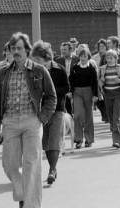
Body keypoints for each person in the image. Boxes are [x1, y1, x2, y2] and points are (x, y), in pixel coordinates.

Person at [0, 32, 57, 208]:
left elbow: (51, 97)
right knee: (9, 164)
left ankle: (31, 205)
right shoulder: (4, 72)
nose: (16, 51)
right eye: (13, 48)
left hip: (31, 121)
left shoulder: (39, 70)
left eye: (19, 48)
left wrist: (41, 119)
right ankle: (21, 191)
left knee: (32, 164)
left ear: (27, 50)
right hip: (10, 122)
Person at [31, 41, 69, 185]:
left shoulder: (59, 69)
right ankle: (51, 167)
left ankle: (52, 170)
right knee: (45, 142)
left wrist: (51, 92)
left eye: (38, 60)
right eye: (34, 60)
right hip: (40, 111)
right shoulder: (33, 72)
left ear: (47, 57)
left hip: (57, 109)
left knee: (54, 140)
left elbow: (66, 87)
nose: (36, 63)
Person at [68, 46, 98, 149]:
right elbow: (71, 81)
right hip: (77, 92)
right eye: (81, 56)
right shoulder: (75, 67)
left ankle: (89, 139)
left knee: (88, 116)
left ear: (88, 57)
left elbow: (95, 82)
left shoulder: (91, 68)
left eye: (85, 56)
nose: (83, 58)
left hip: (89, 91)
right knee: (78, 115)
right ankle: (78, 139)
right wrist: (70, 92)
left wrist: (95, 95)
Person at [98, 49, 120, 148]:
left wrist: (119, 80)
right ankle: (115, 129)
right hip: (107, 94)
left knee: (116, 117)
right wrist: (101, 83)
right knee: (111, 117)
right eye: (107, 58)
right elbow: (100, 81)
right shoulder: (102, 68)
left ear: (116, 58)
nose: (109, 60)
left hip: (118, 94)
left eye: (111, 58)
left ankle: (117, 141)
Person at [55, 42, 79, 115]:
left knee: (77, 108)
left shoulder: (77, 59)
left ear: (70, 50)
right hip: (64, 86)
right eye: (62, 49)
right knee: (67, 108)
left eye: (65, 49)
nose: (63, 51)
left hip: (75, 86)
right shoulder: (57, 60)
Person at [91, 39, 108, 122]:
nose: (101, 48)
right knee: (98, 100)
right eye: (99, 46)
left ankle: (107, 115)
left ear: (106, 47)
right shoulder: (94, 57)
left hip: (108, 80)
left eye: (103, 46)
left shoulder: (109, 55)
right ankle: (104, 113)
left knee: (107, 99)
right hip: (97, 80)